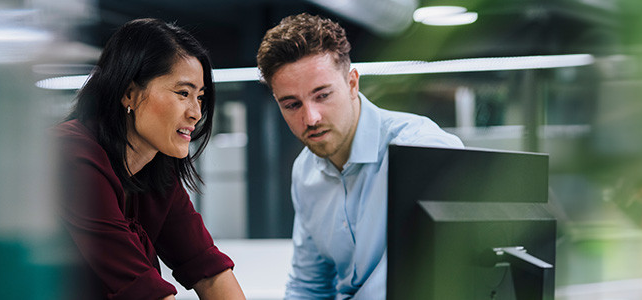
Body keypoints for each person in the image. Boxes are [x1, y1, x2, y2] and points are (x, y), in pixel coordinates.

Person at [255, 13, 465, 300]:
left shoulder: (422, 148)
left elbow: (443, 277)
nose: (311, 118)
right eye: (292, 105)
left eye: (323, 95)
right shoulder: (304, 171)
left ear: (352, 84)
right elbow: (309, 286)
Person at [55, 18, 245, 300]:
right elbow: (141, 289)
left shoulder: (156, 170)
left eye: (200, 97)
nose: (196, 112)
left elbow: (209, 270)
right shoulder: (72, 157)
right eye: (183, 93)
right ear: (129, 93)